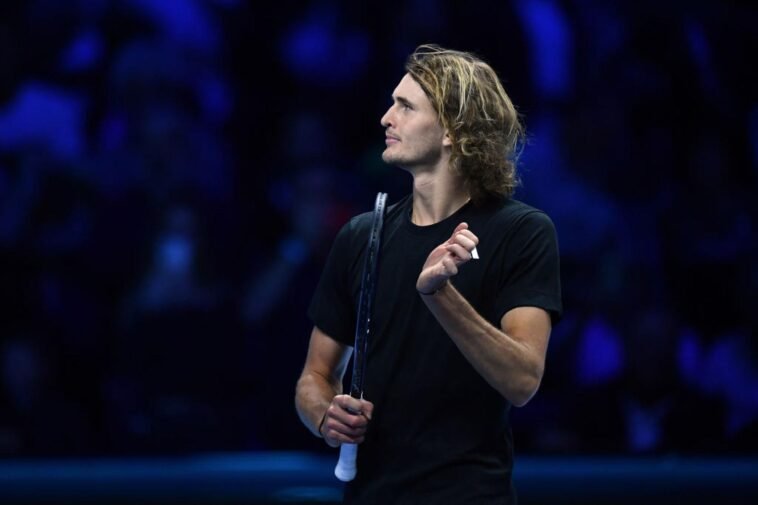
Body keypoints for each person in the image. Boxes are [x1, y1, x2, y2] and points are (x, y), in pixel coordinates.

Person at [295, 44, 562, 504]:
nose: (386, 118)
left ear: (452, 130)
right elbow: (314, 377)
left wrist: (440, 295)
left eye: (405, 106)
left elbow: (522, 381)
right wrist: (325, 416)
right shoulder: (361, 236)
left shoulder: (522, 232)